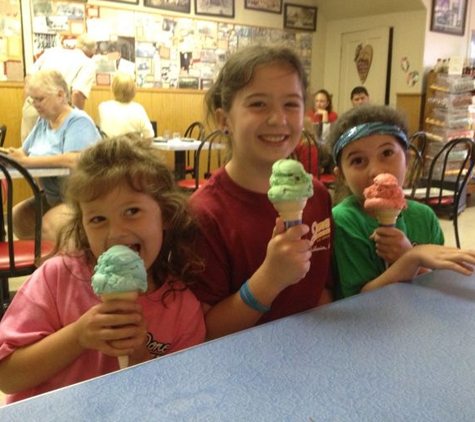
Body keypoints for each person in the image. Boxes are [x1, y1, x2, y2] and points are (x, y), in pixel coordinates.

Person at [0, 135, 205, 404]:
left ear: (165, 215)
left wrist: (139, 353)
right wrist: (77, 336)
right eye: (97, 218)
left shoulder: (182, 309)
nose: (116, 232)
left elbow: (176, 398)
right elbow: (7, 376)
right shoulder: (55, 279)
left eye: (132, 211)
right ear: (82, 225)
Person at [189, 45, 333, 340]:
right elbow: (205, 333)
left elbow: (323, 291)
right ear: (224, 119)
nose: (278, 119)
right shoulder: (203, 214)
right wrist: (269, 279)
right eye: (258, 104)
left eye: (291, 104)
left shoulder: (317, 196)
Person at [329, 105, 475, 299]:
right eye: (357, 161)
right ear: (342, 177)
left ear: (407, 160)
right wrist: (412, 258)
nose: (375, 170)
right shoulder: (343, 221)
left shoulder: (424, 217)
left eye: (387, 153)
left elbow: (435, 283)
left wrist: (410, 255)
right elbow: (359, 301)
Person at [8, 69, 101, 242]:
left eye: (40, 99)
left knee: (49, 225)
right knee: (18, 218)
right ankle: (47, 258)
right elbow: (24, 152)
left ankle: (61, 260)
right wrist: (9, 155)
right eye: (32, 99)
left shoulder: (78, 121)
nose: (35, 104)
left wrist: (27, 162)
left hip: (81, 198)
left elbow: (74, 159)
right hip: (54, 197)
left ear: (60, 95)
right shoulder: (43, 121)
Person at [21, 33, 97, 141]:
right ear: (92, 53)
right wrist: (74, 121)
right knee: (54, 152)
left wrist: (30, 103)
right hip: (56, 113)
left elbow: (28, 78)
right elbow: (77, 93)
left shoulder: (52, 52)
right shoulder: (88, 63)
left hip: (32, 106)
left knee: (28, 152)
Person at [98, 72, 155, 139]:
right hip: (132, 148)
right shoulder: (138, 109)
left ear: (113, 89)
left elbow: (100, 133)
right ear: (133, 90)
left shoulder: (103, 107)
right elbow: (150, 136)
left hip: (108, 149)